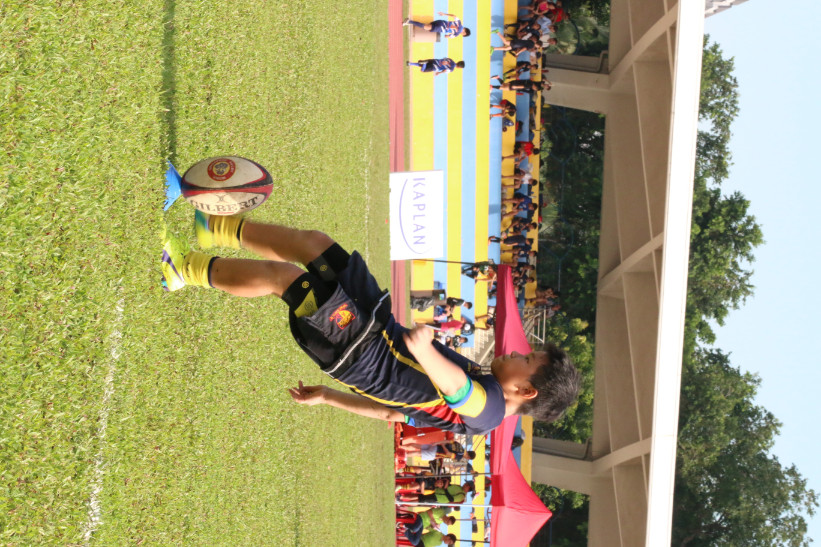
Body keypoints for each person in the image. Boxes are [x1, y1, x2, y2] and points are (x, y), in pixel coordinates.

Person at [161, 212, 582, 436]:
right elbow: (392, 415)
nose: (515, 352)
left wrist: (424, 351)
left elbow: (458, 390)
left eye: (526, 359)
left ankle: (184, 270)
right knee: (317, 245)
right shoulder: (483, 390)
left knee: (287, 280)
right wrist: (329, 398)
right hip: (379, 327)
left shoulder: (488, 410)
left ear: (527, 390)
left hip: (359, 352)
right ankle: (211, 225)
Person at [403, 12, 471, 38]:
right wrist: (448, 35)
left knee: (426, 26)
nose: (461, 34)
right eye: (463, 35)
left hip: (441, 22)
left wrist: (444, 14)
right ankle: (409, 21)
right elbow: (446, 36)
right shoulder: (457, 33)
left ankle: (409, 22)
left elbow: (454, 15)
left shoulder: (459, 22)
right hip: (441, 28)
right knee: (425, 27)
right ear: (464, 33)